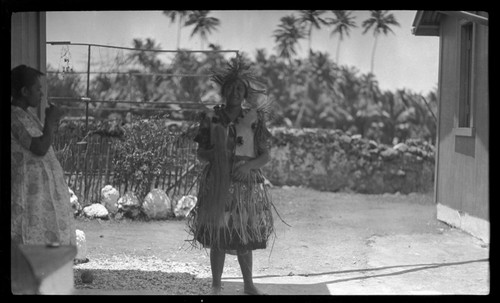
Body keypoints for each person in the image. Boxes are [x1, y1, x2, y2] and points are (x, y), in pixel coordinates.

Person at [187, 56, 277, 295]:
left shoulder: (255, 118)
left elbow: (265, 155)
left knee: (243, 233)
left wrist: (248, 167)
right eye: (232, 87)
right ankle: (216, 285)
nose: (236, 92)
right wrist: (216, 155)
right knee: (218, 232)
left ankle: (248, 285)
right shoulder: (211, 117)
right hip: (217, 183)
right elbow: (201, 153)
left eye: (240, 88)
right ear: (224, 91)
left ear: (245, 93)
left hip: (245, 186)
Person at [11, 64, 76, 246]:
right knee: (27, 237)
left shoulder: (28, 115)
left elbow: (44, 143)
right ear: (24, 91)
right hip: (26, 192)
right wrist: (50, 121)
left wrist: (49, 124)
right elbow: (39, 148)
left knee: (42, 236)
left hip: (37, 193)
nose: (41, 93)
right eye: (37, 88)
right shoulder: (14, 117)